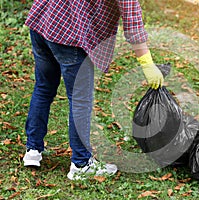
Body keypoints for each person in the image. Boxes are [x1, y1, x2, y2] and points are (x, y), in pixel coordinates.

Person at [22, 0, 164, 180]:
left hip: (42, 21)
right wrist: (147, 64)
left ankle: (33, 150)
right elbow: (133, 23)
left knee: (43, 88)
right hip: (69, 36)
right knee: (80, 100)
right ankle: (81, 164)